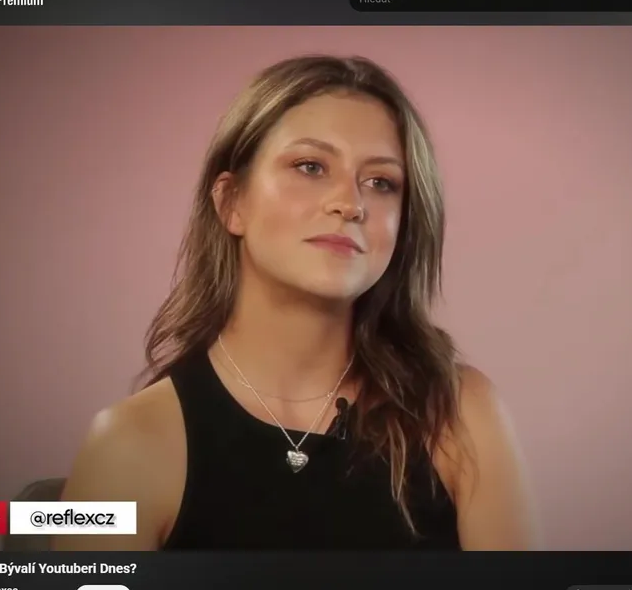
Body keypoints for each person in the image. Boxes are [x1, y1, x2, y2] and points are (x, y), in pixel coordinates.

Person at [54, 55, 538, 550]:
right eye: (310, 167)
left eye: (381, 182)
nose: (350, 204)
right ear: (232, 202)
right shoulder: (128, 444)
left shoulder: (461, 412)